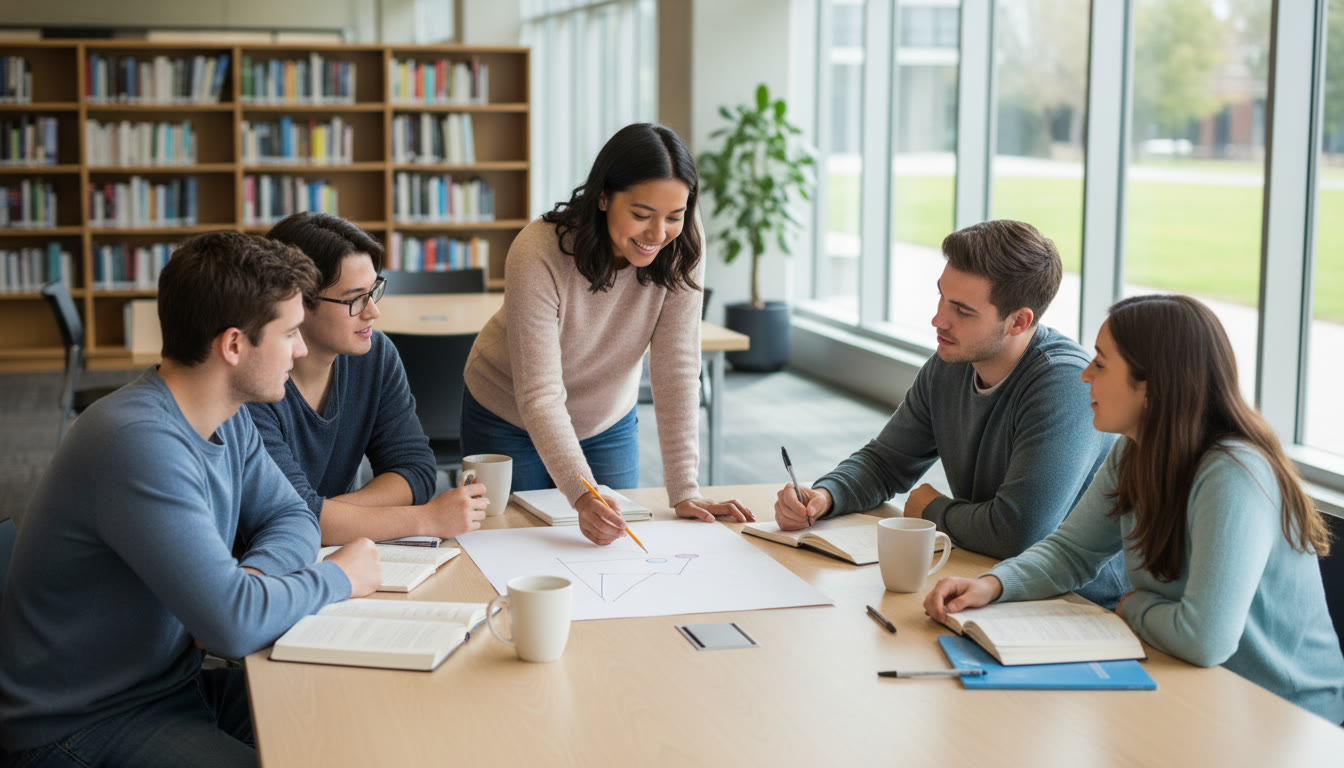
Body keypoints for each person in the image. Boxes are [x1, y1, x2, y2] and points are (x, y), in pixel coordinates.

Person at [0, 231, 382, 767]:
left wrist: (254, 583)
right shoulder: (138, 444)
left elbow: (292, 515)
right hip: (83, 722)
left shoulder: (230, 416)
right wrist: (341, 576)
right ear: (233, 345)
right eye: (291, 332)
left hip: (170, 688)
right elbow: (230, 627)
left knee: (358, 724)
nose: (301, 349)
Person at [924, 294, 1344, 722]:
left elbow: (1205, 640)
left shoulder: (1234, 474)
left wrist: (1132, 606)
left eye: (1101, 364)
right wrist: (992, 585)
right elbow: (1071, 551)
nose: (1085, 375)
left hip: (1282, 715)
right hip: (1191, 684)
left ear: (1152, 388)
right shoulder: (1134, 451)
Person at [774, 219, 1127, 608]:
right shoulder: (953, 361)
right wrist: (826, 495)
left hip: (1079, 603)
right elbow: (886, 462)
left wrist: (930, 509)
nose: (939, 320)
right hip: (988, 576)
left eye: (962, 310)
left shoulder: (1064, 385)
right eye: (942, 297)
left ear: (1019, 322)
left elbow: (1019, 532)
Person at [460, 123, 752, 546]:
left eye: (675, 215)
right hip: (508, 413)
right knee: (513, 544)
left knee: (612, 547)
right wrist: (582, 494)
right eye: (641, 214)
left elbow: (677, 366)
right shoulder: (538, 251)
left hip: (606, 416)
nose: (658, 235)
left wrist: (686, 489)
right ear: (602, 197)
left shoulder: (682, 243)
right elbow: (539, 393)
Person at [250, 213, 487, 545]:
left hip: (341, 553)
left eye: (372, 291)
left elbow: (416, 471)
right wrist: (425, 519)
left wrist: (321, 515)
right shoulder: (252, 383)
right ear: (297, 301)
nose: (372, 312)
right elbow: (282, 520)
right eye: (354, 298)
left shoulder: (374, 354)